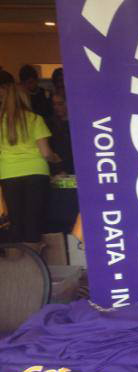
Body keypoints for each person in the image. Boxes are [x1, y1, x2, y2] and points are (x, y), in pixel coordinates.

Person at [0, 71, 60, 248]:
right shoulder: (35, 119)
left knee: (16, 223)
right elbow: (46, 152)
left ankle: (19, 269)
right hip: (36, 174)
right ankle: (35, 270)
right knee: (33, 222)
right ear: (25, 99)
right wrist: (56, 159)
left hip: (8, 174)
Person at [47, 91, 74, 174]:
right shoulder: (50, 124)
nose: (56, 107)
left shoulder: (78, 122)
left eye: (60, 104)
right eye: (54, 104)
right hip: (59, 168)